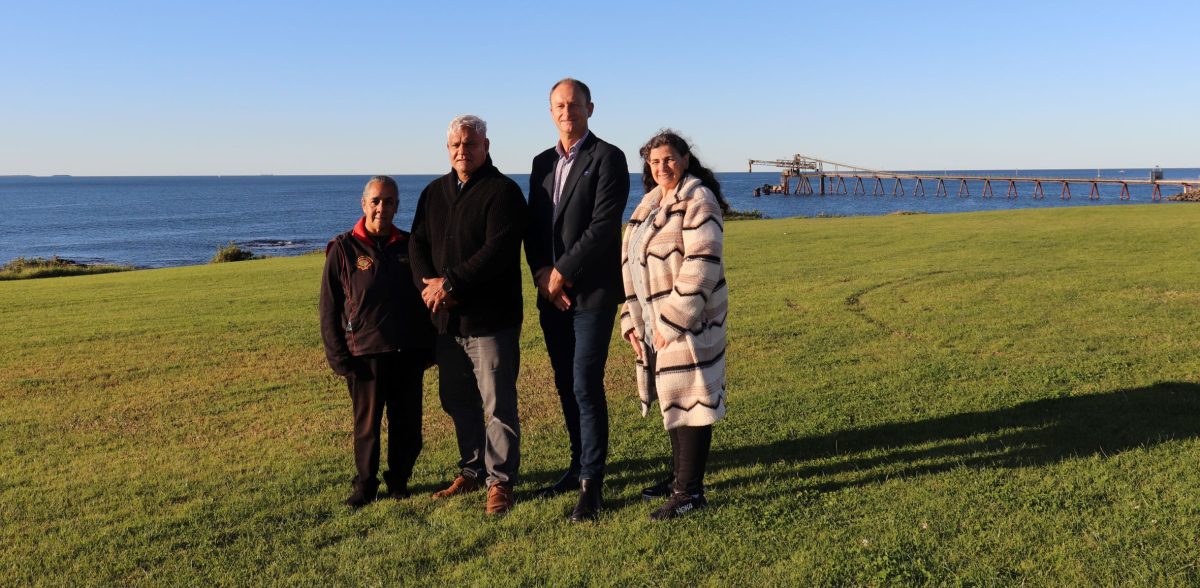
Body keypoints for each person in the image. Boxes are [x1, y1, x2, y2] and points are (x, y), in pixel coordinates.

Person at [409, 114, 528, 515]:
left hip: (491, 321)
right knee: (457, 400)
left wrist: (451, 284)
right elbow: (417, 244)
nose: (463, 151)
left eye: (470, 144)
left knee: (498, 404)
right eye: (456, 145)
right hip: (447, 323)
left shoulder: (504, 192)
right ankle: (473, 470)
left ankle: (501, 482)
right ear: (448, 150)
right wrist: (430, 286)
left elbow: (497, 252)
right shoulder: (434, 192)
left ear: (486, 146)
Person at [525, 78, 629, 522]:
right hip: (552, 294)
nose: (566, 111)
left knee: (586, 383)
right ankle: (576, 465)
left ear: (590, 107)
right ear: (550, 112)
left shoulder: (608, 157)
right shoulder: (541, 162)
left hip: (593, 292)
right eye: (558, 105)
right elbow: (533, 226)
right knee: (565, 383)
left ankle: (592, 485)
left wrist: (563, 271)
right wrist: (542, 273)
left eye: (574, 104)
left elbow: (604, 226)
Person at [620, 130, 729, 520]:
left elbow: (701, 263)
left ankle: (690, 492)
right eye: (654, 161)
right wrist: (632, 322)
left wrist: (671, 323)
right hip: (653, 324)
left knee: (692, 401)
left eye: (668, 159)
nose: (661, 166)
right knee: (672, 397)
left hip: (691, 323)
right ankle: (677, 479)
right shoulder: (648, 205)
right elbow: (630, 264)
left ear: (684, 159)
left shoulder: (699, 200)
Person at [318, 175, 434, 508]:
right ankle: (365, 486)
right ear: (364, 203)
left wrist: (428, 346)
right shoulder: (343, 248)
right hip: (363, 354)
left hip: (407, 351)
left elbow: (425, 296)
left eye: (390, 201)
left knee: (407, 426)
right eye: (376, 201)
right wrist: (337, 355)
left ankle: (399, 481)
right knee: (366, 427)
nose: (382, 208)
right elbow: (329, 308)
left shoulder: (410, 245)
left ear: (398, 205)